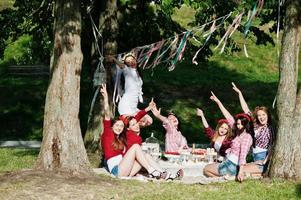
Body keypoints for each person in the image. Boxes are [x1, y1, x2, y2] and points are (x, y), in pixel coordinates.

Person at [100, 84, 166, 178]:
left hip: (126, 170)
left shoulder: (121, 138)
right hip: (117, 171)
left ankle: (163, 174)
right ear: (111, 126)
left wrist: (148, 108)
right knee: (135, 147)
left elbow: (136, 118)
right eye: (117, 125)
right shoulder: (108, 134)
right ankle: (151, 171)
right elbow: (106, 115)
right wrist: (106, 97)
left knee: (145, 156)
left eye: (121, 126)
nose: (119, 128)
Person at [232, 82, 275, 176]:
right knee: (239, 168)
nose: (261, 117)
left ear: (267, 115)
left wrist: (265, 161)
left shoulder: (270, 129)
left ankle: (260, 173)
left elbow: (272, 146)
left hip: (263, 156)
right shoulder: (255, 124)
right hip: (254, 155)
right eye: (259, 115)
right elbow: (246, 109)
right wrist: (240, 93)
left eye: (263, 115)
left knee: (242, 170)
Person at [203, 113, 254, 182]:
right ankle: (225, 177)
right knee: (210, 166)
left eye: (242, 124)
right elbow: (229, 118)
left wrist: (240, 171)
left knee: (206, 169)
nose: (240, 126)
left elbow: (243, 155)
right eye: (238, 124)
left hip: (232, 165)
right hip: (228, 161)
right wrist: (218, 102)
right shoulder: (238, 134)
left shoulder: (247, 137)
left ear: (246, 125)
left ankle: (224, 178)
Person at [109, 53, 153, 127]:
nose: (131, 62)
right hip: (126, 105)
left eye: (132, 60)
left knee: (149, 120)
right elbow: (122, 66)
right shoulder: (127, 71)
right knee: (132, 124)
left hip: (133, 106)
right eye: (128, 62)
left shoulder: (137, 72)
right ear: (127, 64)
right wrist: (114, 59)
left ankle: (135, 130)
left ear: (135, 60)